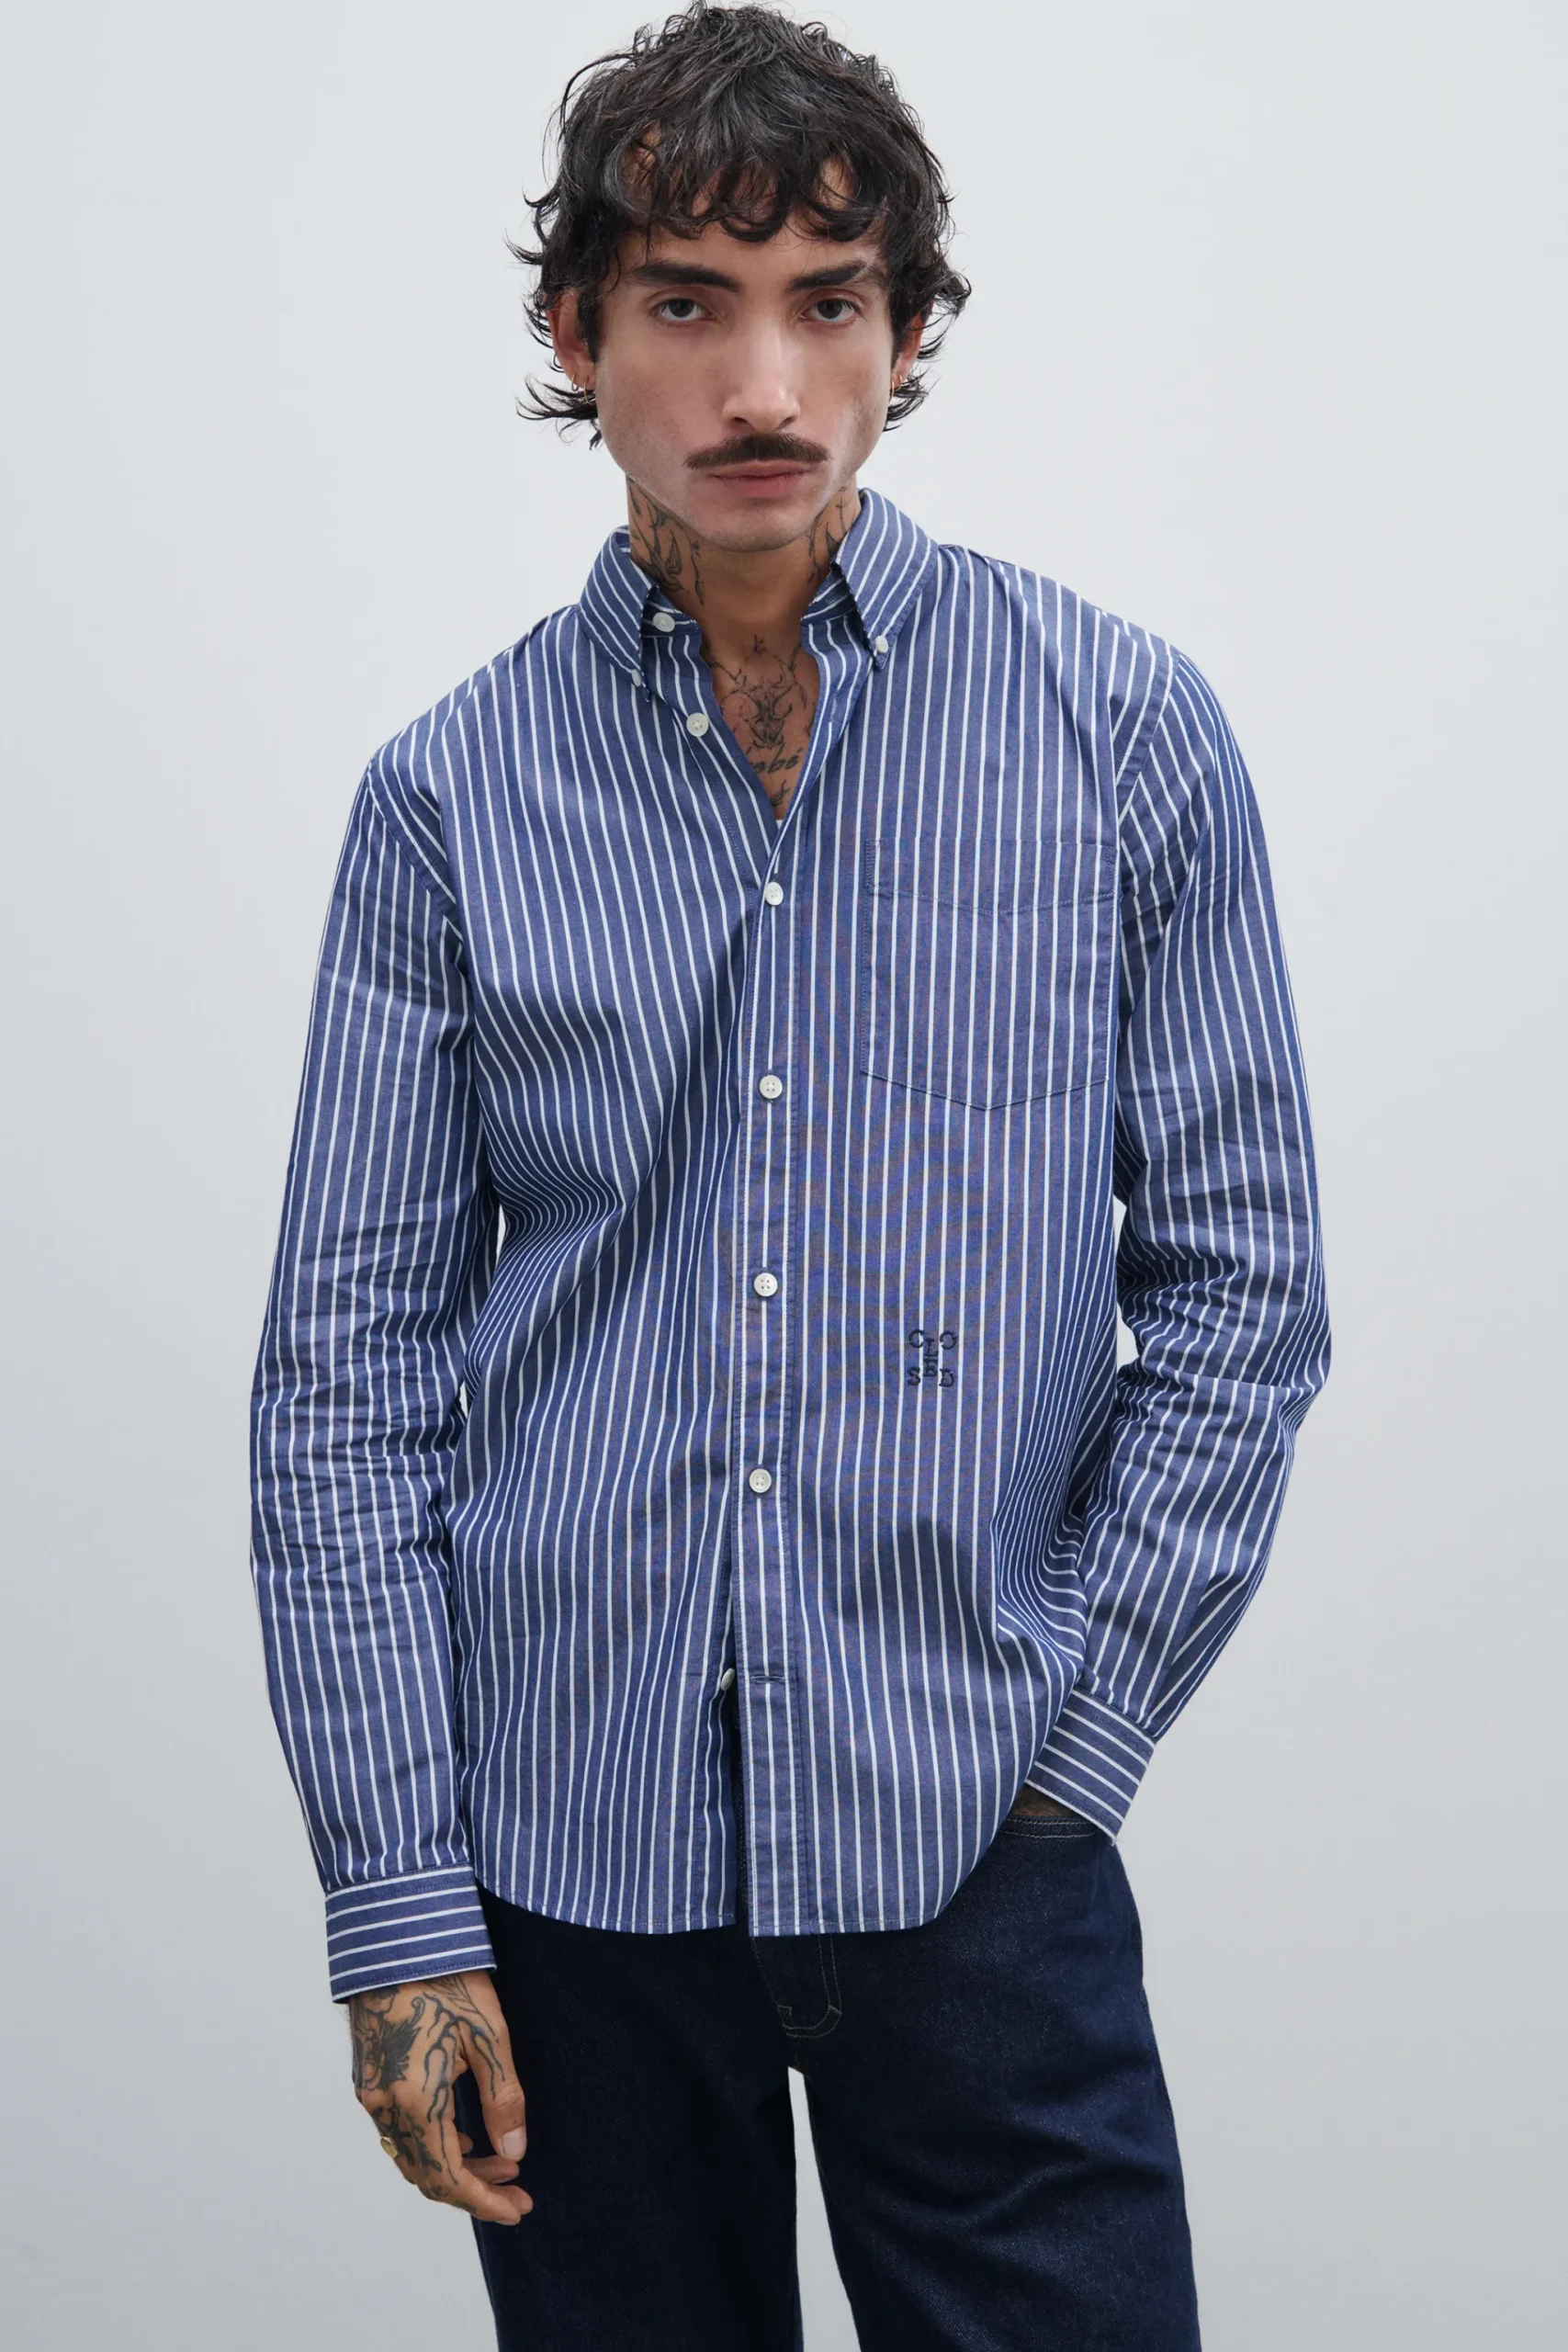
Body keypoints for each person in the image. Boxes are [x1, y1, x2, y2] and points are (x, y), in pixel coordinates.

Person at [249, 6, 1330, 2345]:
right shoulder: (445, 802)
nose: (763, 383)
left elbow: (1244, 1287)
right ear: (576, 335)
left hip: (977, 1842)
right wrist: (402, 1900)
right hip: (571, 1870)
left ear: (905, 330)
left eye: (826, 300)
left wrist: (1073, 1738)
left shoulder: (1120, 733)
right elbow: (344, 1380)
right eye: (685, 301)